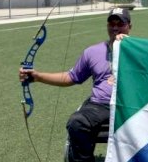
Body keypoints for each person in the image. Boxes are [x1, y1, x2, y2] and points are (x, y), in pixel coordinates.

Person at [19, 8, 132, 162]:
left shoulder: (139, 51)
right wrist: (37, 76)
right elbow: (70, 77)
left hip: (129, 106)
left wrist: (130, 47)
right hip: (100, 105)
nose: (115, 27)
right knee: (77, 122)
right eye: (112, 23)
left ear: (129, 26)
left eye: (121, 23)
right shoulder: (93, 52)